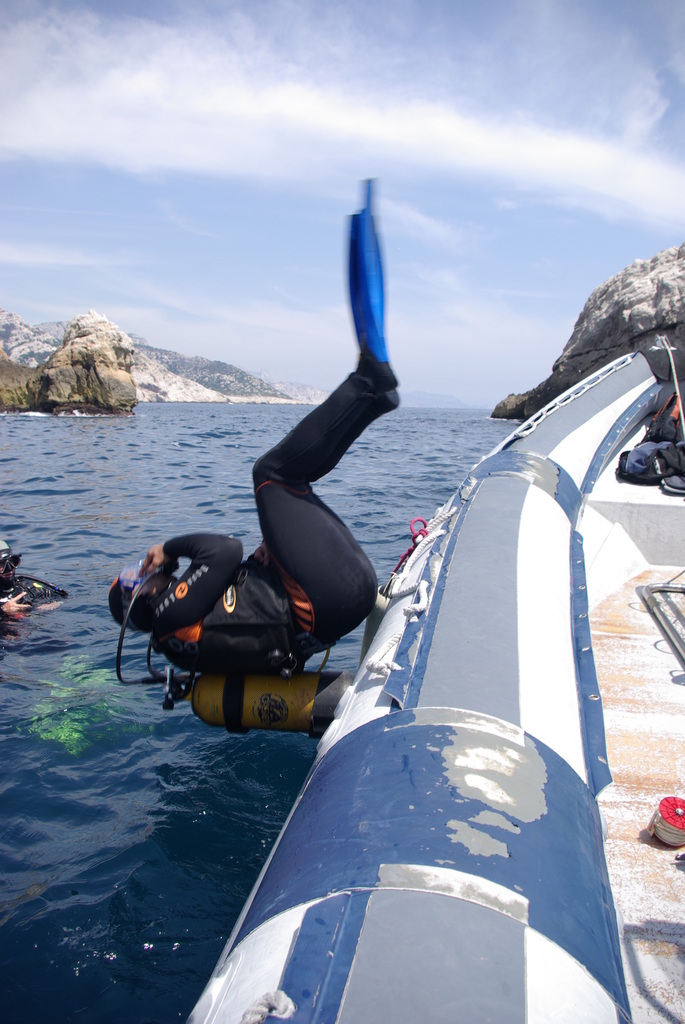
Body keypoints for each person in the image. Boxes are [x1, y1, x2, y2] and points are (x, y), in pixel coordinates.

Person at [109, 181, 399, 677]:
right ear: (139, 597)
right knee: (271, 474)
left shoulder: (178, 631)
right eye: (137, 573)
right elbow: (225, 549)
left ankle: (372, 396)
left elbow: (241, 592)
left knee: (293, 483)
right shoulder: (169, 616)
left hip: (333, 603)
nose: (145, 566)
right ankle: (368, 387)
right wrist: (168, 548)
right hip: (327, 599)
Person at [0, 540, 67, 619]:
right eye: (1, 564)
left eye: (12, 561)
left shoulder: (28, 588)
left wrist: (35, 608)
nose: (9, 568)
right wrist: (3, 610)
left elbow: (64, 600)